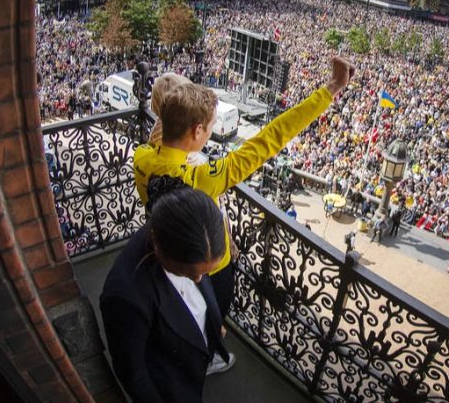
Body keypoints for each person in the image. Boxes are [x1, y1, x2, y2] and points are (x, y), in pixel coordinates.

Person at [133, 56, 355, 373]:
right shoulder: (205, 175)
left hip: (166, 252)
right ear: (197, 131)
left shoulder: (142, 157)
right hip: (211, 262)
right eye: (209, 128)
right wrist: (331, 88)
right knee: (213, 311)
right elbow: (273, 136)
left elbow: (161, 137)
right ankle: (208, 355)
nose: (211, 133)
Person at [100, 179, 231, 402]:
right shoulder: (125, 297)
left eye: (206, 271)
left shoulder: (187, 234)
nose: (199, 279)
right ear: (161, 248)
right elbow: (133, 372)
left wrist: (210, 322)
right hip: (171, 384)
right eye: (190, 273)